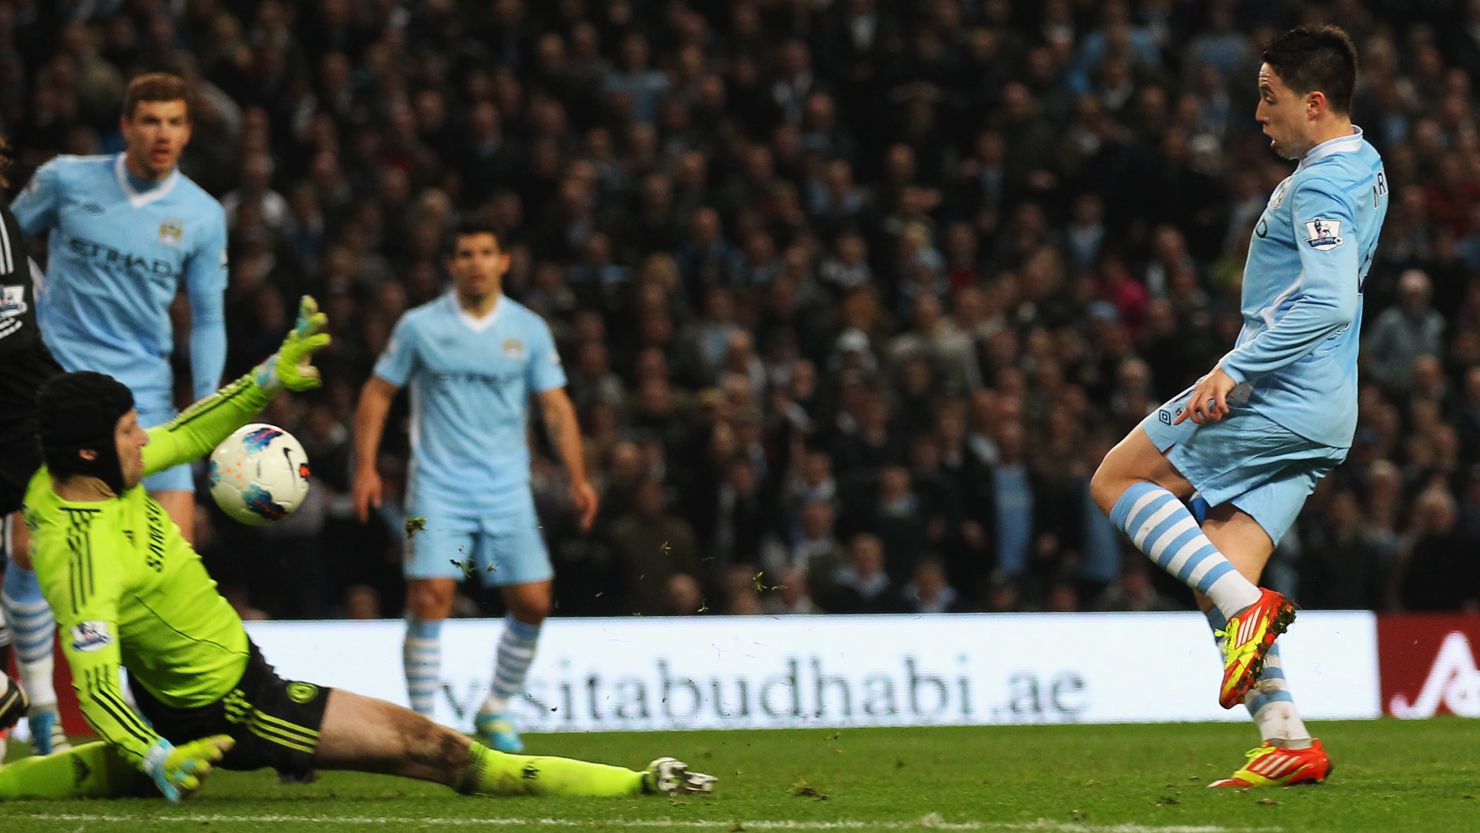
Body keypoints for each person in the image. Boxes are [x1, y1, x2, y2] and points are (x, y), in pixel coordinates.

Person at [0, 297, 713, 802]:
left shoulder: (76, 475)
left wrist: (268, 379)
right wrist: (159, 753)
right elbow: (93, 684)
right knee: (439, 751)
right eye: (129, 433)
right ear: (91, 450)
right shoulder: (82, 560)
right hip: (240, 705)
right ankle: (641, 782)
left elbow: (186, 432)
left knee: (108, 774)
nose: (143, 440)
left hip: (179, 695)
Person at [1090, 25, 1387, 788]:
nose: (1258, 113)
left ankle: (1249, 609)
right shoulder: (1365, 163)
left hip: (1277, 393)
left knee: (1119, 482)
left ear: (1314, 103)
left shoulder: (1320, 183)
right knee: (1216, 566)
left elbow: (1325, 300)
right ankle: (1286, 734)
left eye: (1269, 97)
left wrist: (1235, 365)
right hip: (1325, 411)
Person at [4, 72, 228, 751]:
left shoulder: (202, 213)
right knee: (29, 547)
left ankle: (152, 715)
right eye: (150, 120)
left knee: (168, 558)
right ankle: (42, 702)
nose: (162, 134)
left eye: (175, 122)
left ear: (189, 131)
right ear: (126, 125)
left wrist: (210, 410)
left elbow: (211, 318)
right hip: (64, 393)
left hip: (148, 403)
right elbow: (10, 243)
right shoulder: (67, 181)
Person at [353, 219, 598, 753]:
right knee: (430, 596)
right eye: (466, 253)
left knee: (533, 601)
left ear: (504, 261)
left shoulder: (528, 329)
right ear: (452, 265)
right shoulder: (419, 326)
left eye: (486, 252)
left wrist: (579, 477)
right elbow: (377, 393)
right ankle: (422, 727)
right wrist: (366, 467)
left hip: (508, 487)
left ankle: (497, 707)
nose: (476, 263)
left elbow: (556, 406)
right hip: (435, 486)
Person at [0, 136, 67, 758]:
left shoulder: (0, 229)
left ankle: (42, 704)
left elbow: (9, 337)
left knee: (27, 548)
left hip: (17, 408)